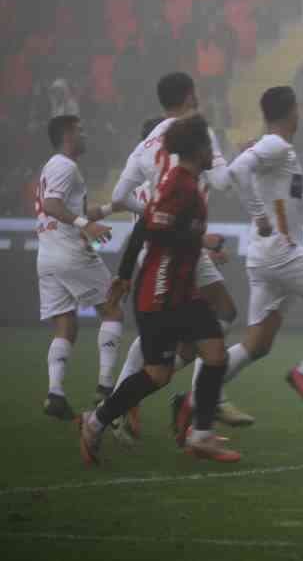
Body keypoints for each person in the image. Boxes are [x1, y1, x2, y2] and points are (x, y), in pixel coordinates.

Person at [169, 86, 303, 429]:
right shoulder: (275, 144)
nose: (300, 113)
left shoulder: (280, 150)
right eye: (298, 108)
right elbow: (236, 172)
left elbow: (286, 197)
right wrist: (256, 212)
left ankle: (194, 400)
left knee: (256, 345)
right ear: (291, 111)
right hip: (281, 253)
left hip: (264, 256)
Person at [80, 115, 240, 466]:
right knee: (158, 374)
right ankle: (96, 422)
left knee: (214, 353)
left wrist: (122, 276)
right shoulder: (178, 185)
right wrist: (202, 239)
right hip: (160, 294)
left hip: (180, 292)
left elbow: (143, 228)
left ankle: (200, 434)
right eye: (210, 145)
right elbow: (154, 232)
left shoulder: (187, 184)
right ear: (199, 148)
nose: (215, 151)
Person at [107, 72, 252, 443]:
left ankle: (181, 398)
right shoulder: (194, 130)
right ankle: (146, 398)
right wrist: (248, 157)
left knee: (214, 315)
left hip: (169, 240)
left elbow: (121, 197)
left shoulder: (148, 142)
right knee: (190, 323)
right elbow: (220, 181)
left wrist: (153, 213)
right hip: (177, 245)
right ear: (189, 95)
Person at [34, 115, 123, 421]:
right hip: (70, 251)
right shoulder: (64, 165)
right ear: (68, 134)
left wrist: (112, 208)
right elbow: (51, 205)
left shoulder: (54, 167)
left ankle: (55, 394)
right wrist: (88, 226)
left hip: (48, 256)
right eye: (81, 130)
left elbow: (70, 209)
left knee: (66, 327)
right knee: (113, 308)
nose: (85, 134)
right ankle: (106, 388)